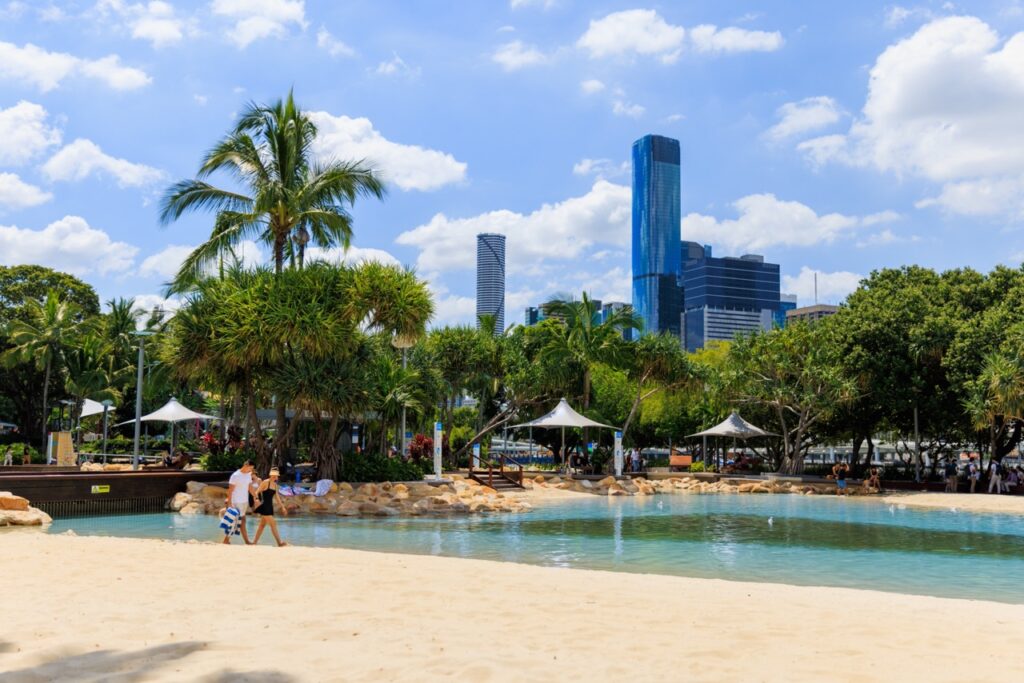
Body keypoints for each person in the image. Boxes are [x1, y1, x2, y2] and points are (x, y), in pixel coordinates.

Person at [252, 467, 289, 546]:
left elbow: (277, 497)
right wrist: (256, 499)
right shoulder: (265, 482)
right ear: (271, 475)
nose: (276, 477)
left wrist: (282, 507)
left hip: (270, 507)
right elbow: (257, 491)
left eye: (276, 476)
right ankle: (279, 543)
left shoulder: (275, 485)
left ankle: (254, 542)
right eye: (274, 475)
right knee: (273, 524)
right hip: (264, 506)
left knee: (262, 525)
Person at [223, 459, 256, 545]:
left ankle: (244, 541)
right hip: (236, 501)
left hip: (244, 501)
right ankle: (227, 540)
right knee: (235, 521)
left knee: (242, 521)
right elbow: (230, 490)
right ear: (246, 465)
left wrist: (255, 496)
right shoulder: (235, 475)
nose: (251, 470)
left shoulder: (248, 475)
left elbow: (250, 487)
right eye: (250, 468)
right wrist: (229, 503)